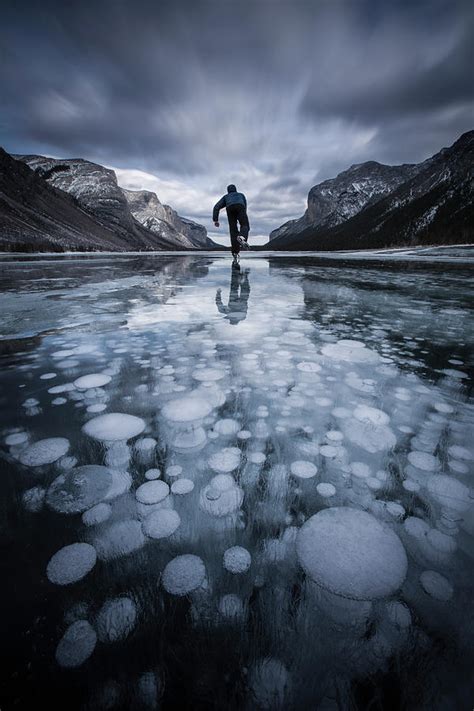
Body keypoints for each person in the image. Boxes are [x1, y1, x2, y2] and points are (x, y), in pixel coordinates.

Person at [213, 184, 250, 261]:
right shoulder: (241, 195)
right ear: (235, 189)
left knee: (233, 230)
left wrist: (216, 220)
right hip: (240, 207)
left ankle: (235, 252)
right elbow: (245, 205)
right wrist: (243, 215)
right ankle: (242, 237)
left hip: (230, 208)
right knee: (245, 225)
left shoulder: (226, 197)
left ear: (228, 191)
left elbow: (216, 207)